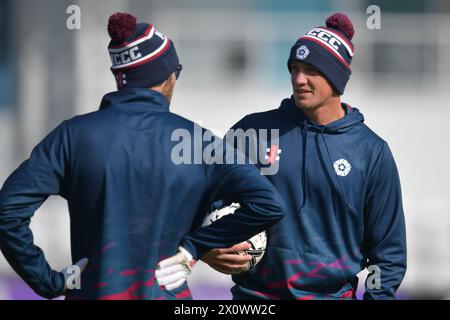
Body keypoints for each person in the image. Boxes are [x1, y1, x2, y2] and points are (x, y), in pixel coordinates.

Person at [0, 12, 285, 300]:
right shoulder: (197, 141)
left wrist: (48, 281)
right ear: (167, 76)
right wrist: (195, 247)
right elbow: (268, 204)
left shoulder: (74, 136)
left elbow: (7, 212)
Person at [201, 13, 407, 300]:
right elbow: (202, 196)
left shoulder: (371, 152)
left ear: (336, 77)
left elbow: (388, 254)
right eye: (294, 68)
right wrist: (205, 248)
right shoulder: (253, 131)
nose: (299, 79)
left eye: (311, 69)